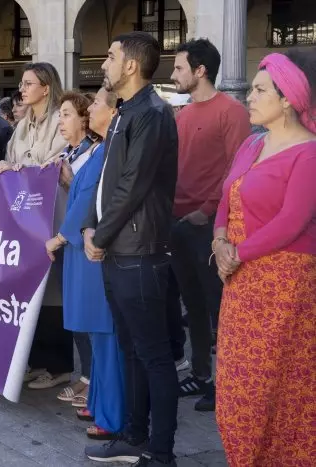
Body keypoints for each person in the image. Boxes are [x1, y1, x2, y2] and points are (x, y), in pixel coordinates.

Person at [213, 49, 316, 467]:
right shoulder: (252, 144)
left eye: (258, 90)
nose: (249, 98)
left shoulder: (309, 153)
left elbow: (293, 220)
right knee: (237, 383)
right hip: (238, 278)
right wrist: (220, 242)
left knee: (278, 384)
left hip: (284, 283)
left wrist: (237, 252)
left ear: (288, 98)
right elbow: (226, 196)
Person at [82, 32, 179, 467]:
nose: (104, 62)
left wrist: (98, 238)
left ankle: (161, 452)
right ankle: (134, 436)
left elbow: (132, 186)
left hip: (139, 253)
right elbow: (104, 180)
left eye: (110, 54)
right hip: (118, 249)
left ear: (132, 66)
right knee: (131, 352)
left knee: (154, 357)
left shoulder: (153, 114)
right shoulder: (125, 112)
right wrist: (89, 226)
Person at [169, 38, 252, 412]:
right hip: (177, 223)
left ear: (200, 70)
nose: (173, 75)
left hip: (209, 226)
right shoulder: (184, 114)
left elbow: (239, 171)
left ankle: (226, 382)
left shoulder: (232, 112)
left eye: (179, 68)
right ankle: (202, 375)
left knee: (220, 309)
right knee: (194, 306)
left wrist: (208, 210)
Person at [44, 88, 124, 441]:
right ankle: (98, 399)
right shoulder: (98, 153)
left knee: (105, 336)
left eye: (95, 105)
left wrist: (60, 237)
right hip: (82, 251)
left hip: (91, 251)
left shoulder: (105, 151)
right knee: (94, 334)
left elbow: (88, 200)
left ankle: (111, 413)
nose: (90, 109)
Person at [0, 62, 71, 391]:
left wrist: (18, 167)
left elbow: (53, 163)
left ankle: (60, 365)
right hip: (24, 220)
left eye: (28, 83)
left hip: (54, 215)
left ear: (46, 88)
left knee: (53, 294)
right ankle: (36, 361)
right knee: (30, 290)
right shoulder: (23, 124)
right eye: (21, 84)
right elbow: (13, 156)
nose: (21, 89)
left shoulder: (58, 121)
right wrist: (5, 166)